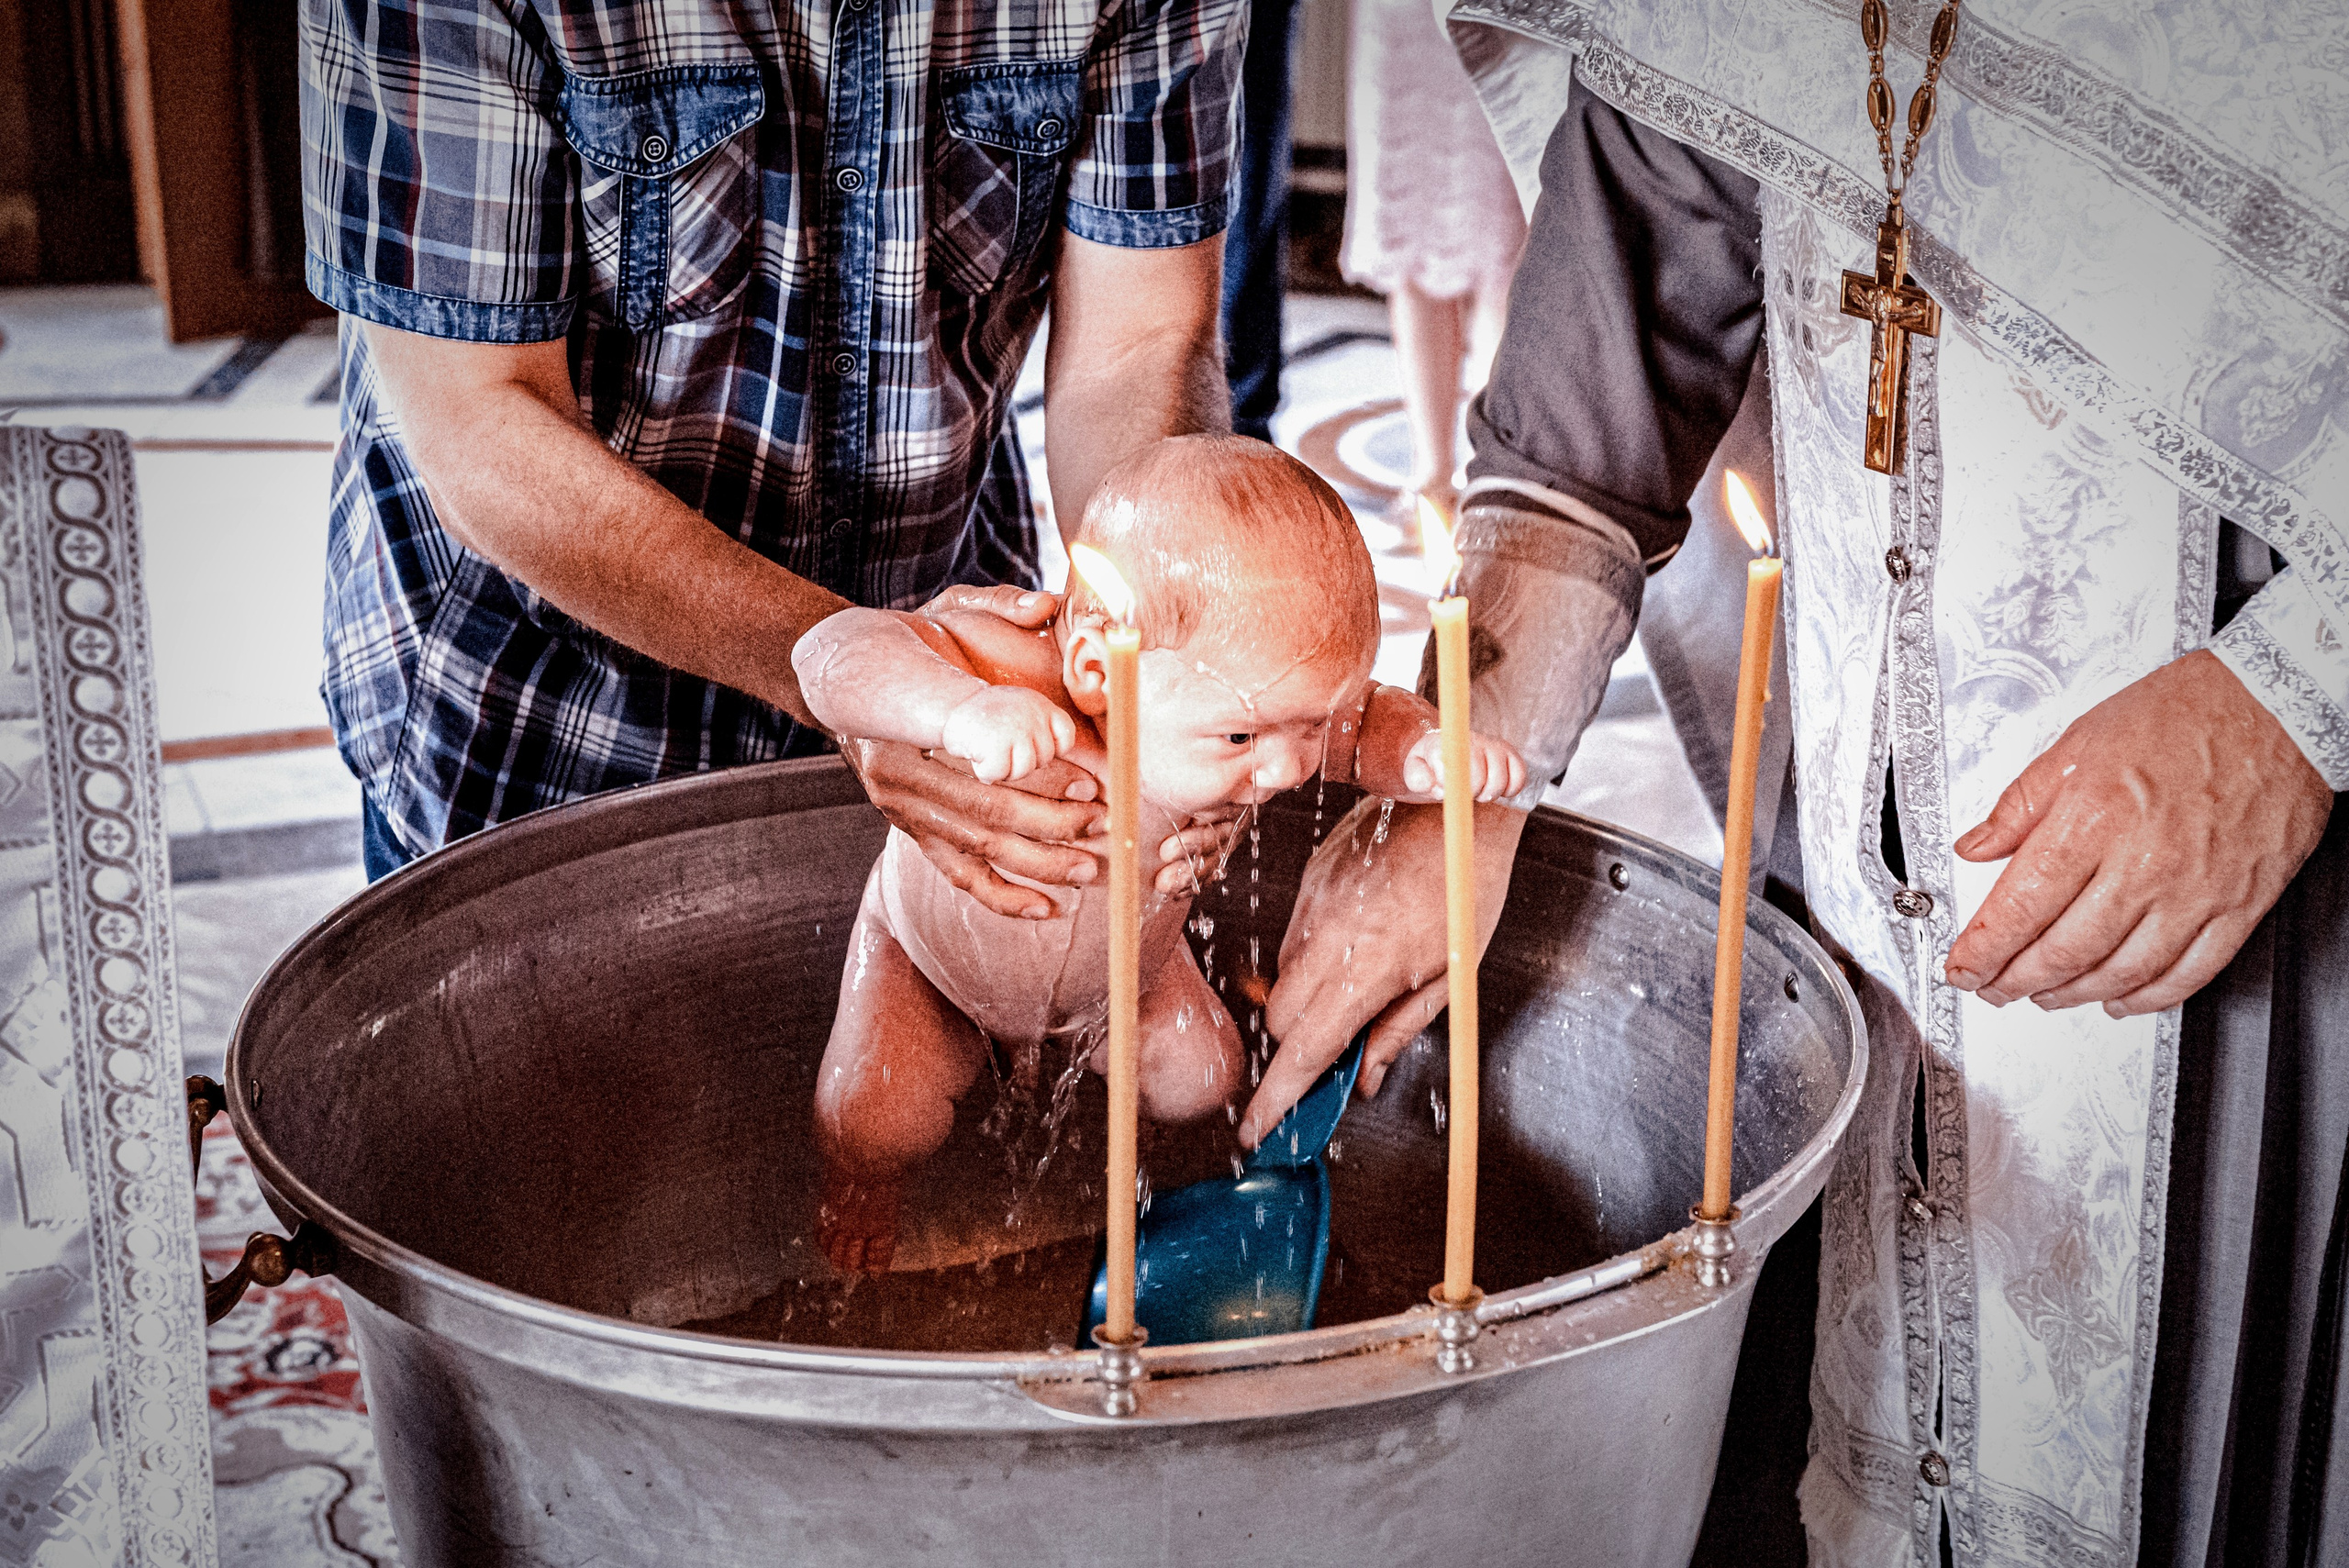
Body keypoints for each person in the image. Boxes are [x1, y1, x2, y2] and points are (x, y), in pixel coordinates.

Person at [1246, 6, 2349, 1564]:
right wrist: (1455, 783)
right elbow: (1597, 389)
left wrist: (2296, 696)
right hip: (1871, 841)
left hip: (2267, 900)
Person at [297, 0, 1247, 895]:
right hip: (533, 722)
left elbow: (1140, 344)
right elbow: (483, 414)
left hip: (968, 685)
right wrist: (848, 667)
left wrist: (1166, 660)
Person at [793, 436, 1524, 1273]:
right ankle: (858, 1180)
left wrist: (1428, 749)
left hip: (1125, 975)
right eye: (1244, 733)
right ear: (1098, 670)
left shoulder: (1236, 704)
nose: (1287, 768)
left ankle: (1115, 1152)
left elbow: (1362, 725)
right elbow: (829, 651)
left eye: (1311, 725)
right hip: (930, 968)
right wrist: (954, 709)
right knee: (875, 1112)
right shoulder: (1010, 675)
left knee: (1203, 1076)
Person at [1340, 0, 1526, 526]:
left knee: (1503, 246)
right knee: (1410, 231)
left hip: (1503, 16)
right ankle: (1433, 472)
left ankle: (1491, 472)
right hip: (1401, 18)